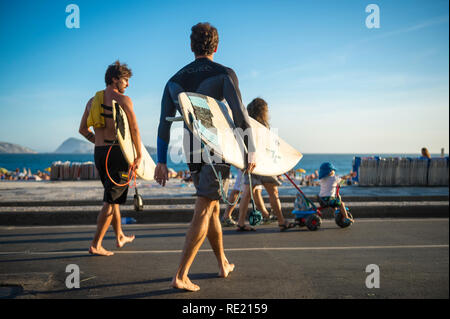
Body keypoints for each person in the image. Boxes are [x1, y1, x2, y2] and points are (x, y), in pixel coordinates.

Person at [154, 22, 256, 292]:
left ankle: (222, 262)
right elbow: (239, 114)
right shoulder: (224, 73)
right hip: (216, 148)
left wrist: (161, 161)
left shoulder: (174, 80)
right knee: (205, 207)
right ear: (216, 46)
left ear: (191, 47)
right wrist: (251, 149)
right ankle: (180, 274)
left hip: (191, 148)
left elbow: (164, 124)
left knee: (211, 208)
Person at [79, 61, 141, 256]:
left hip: (99, 153)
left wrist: (98, 141)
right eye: (125, 80)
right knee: (110, 201)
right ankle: (96, 244)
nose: (128, 84)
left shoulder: (92, 101)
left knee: (112, 198)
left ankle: (120, 235)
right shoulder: (123, 100)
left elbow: (82, 130)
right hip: (117, 154)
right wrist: (138, 156)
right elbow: (134, 129)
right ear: (115, 79)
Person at [236, 98, 296, 232]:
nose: (268, 112)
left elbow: (242, 144)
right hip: (263, 164)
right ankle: (281, 222)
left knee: (246, 194)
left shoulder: (246, 123)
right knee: (273, 193)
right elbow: (269, 147)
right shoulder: (262, 126)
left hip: (250, 163)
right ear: (262, 110)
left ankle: (240, 222)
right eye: (266, 110)